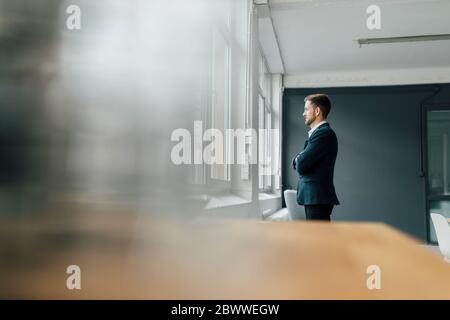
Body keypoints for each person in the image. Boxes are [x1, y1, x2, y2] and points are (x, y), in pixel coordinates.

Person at [292, 94, 339, 221]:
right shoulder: (319, 134)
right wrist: (299, 158)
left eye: (307, 109)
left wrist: (298, 158)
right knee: (319, 239)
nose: (303, 113)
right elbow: (302, 160)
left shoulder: (323, 134)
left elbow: (301, 164)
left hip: (317, 198)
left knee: (319, 240)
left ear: (317, 111)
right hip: (315, 198)